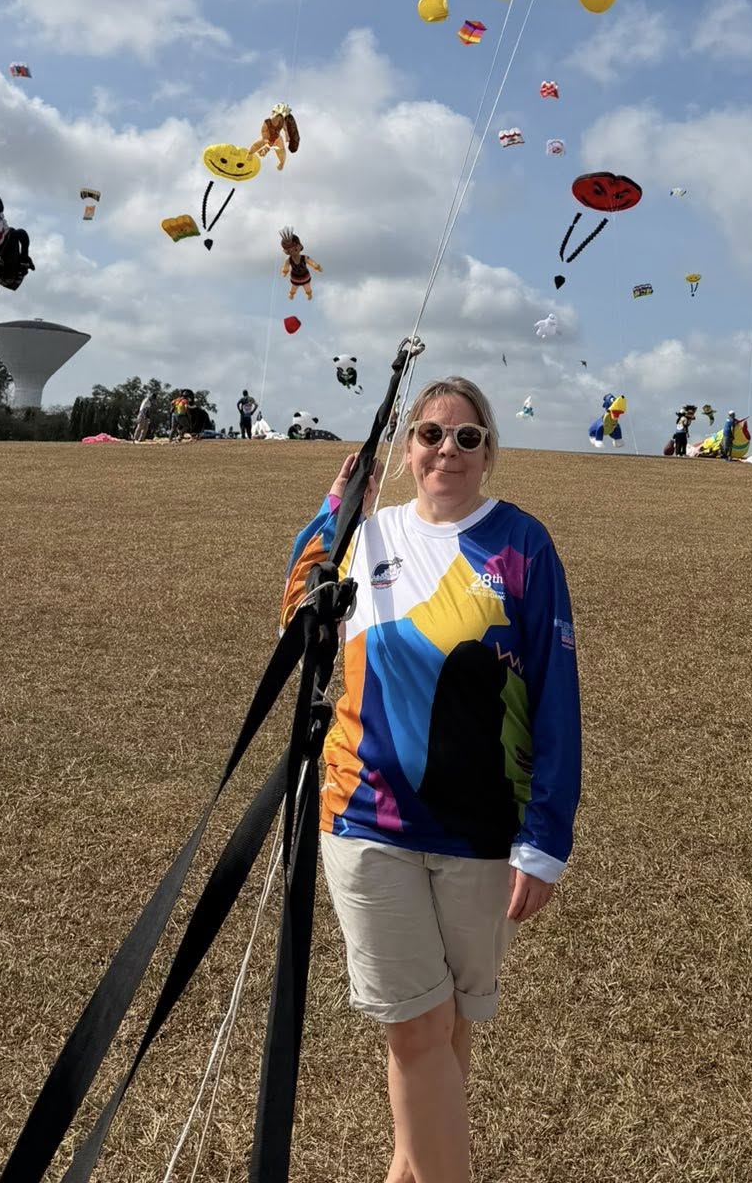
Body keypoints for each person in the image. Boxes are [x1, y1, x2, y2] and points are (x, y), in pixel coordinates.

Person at [281, 376, 580, 1183]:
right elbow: (298, 623)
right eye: (429, 435)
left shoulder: (523, 544)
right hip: (365, 819)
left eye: (467, 437)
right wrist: (331, 512)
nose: (447, 449)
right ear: (405, 450)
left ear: (489, 453)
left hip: (484, 828)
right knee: (415, 1030)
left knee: (445, 1029)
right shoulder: (369, 536)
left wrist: (546, 837)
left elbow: (557, 696)